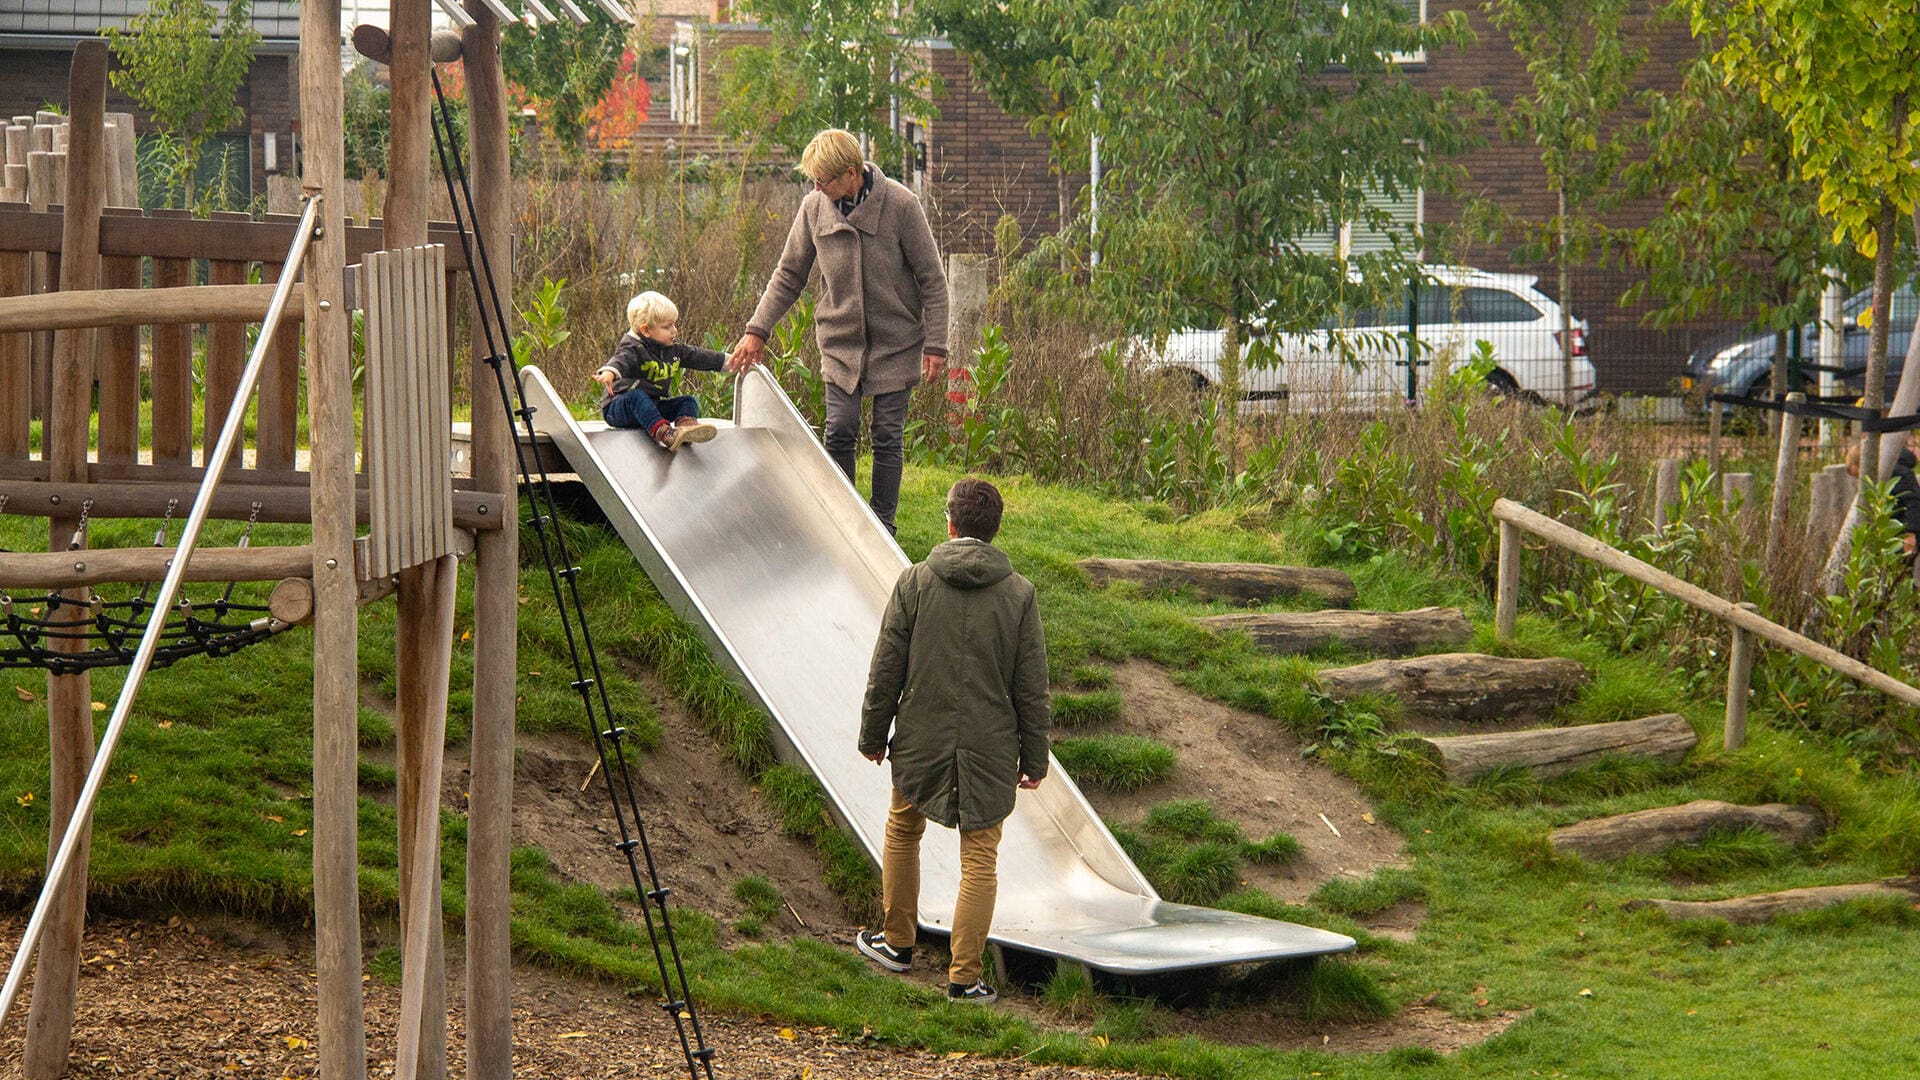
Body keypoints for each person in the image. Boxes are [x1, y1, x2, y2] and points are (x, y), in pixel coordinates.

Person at [854, 478, 1050, 1004]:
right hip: (990, 748)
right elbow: (1031, 688)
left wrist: (874, 734)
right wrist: (1035, 758)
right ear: (995, 529)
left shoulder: (914, 583)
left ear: (950, 523)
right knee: (980, 858)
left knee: (902, 828)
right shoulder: (1019, 595)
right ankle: (964, 977)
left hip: (919, 738)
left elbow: (886, 669)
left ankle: (896, 943)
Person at [726, 128, 950, 533]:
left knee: (886, 435)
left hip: (896, 342)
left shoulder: (901, 205)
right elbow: (788, 275)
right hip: (840, 342)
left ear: (852, 173)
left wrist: (937, 344)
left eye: (822, 181)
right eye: (812, 180)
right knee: (840, 430)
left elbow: (932, 279)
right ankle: (845, 523)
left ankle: (883, 527)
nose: (815, 188)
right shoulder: (814, 208)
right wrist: (757, 329)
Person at [595, 291, 725, 452]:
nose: (674, 330)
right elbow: (620, 360)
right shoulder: (633, 347)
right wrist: (609, 373)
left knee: (687, 401)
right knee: (637, 397)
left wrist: (730, 361)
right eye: (666, 327)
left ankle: (686, 429)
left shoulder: (673, 348)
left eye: (674, 324)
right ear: (646, 330)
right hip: (619, 407)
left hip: (651, 408)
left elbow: (698, 356)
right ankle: (665, 434)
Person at [1844, 436, 1920, 556]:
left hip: (1903, 532)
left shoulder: (1898, 473)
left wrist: (1911, 533)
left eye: (1859, 475)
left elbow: (1913, 503)